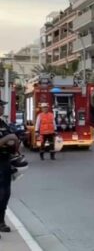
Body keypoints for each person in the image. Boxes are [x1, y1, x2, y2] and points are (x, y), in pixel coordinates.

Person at [0, 99, 19, 235]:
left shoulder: (3, 123)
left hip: (5, 162)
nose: (2, 108)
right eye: (1, 106)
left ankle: (1, 221)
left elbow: (12, 138)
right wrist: (8, 139)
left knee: (6, 193)